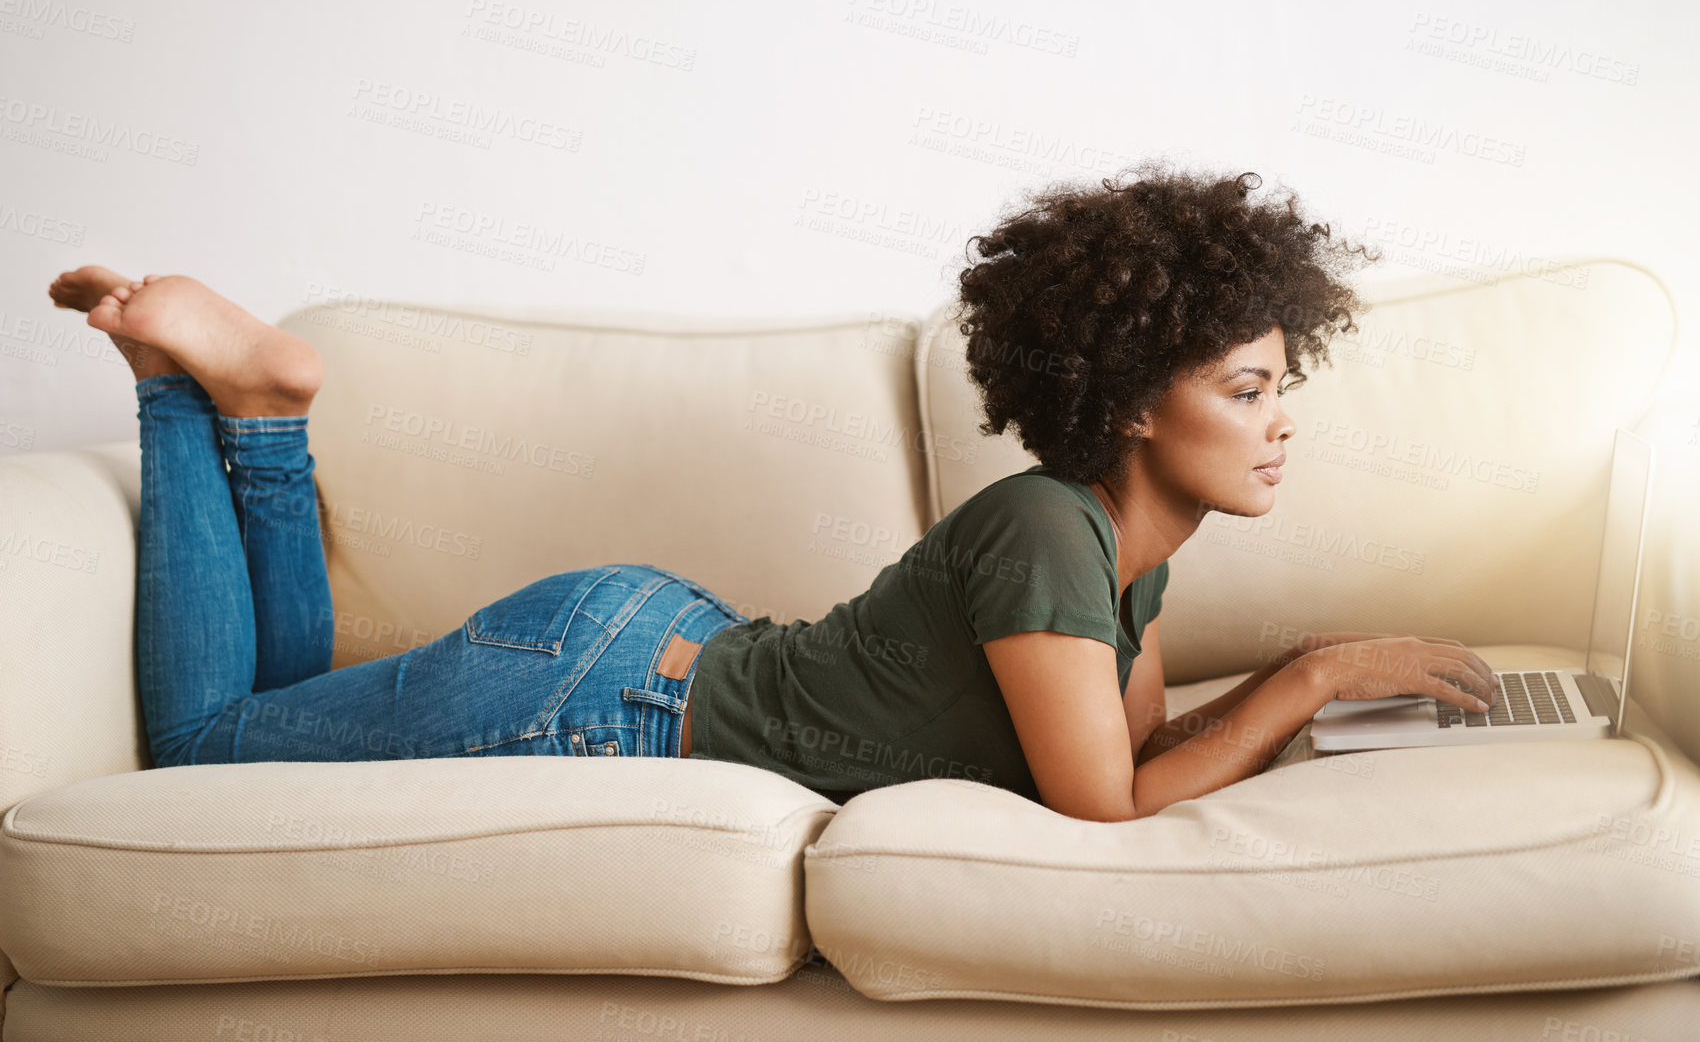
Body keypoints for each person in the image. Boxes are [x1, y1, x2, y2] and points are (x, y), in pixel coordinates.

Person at [46, 159, 1500, 823]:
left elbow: (1130, 757)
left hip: (634, 649)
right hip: (610, 694)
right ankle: (179, 393)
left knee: (274, 718)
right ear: (1130, 400)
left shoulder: (1121, 551)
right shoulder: (1047, 528)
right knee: (199, 753)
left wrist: (1321, 694)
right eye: (1244, 391)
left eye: (1274, 381)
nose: (1279, 422)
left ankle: (265, 407)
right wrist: (1311, 682)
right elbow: (1106, 807)